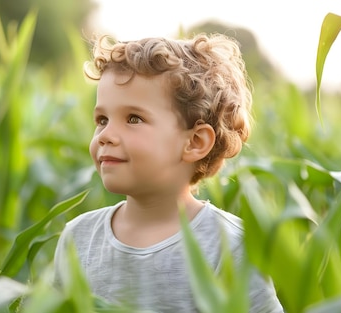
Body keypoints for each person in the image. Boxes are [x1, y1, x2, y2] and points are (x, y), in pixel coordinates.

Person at [53, 33, 283, 313]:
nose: (105, 135)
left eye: (133, 119)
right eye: (102, 120)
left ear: (195, 142)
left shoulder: (232, 247)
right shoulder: (79, 239)